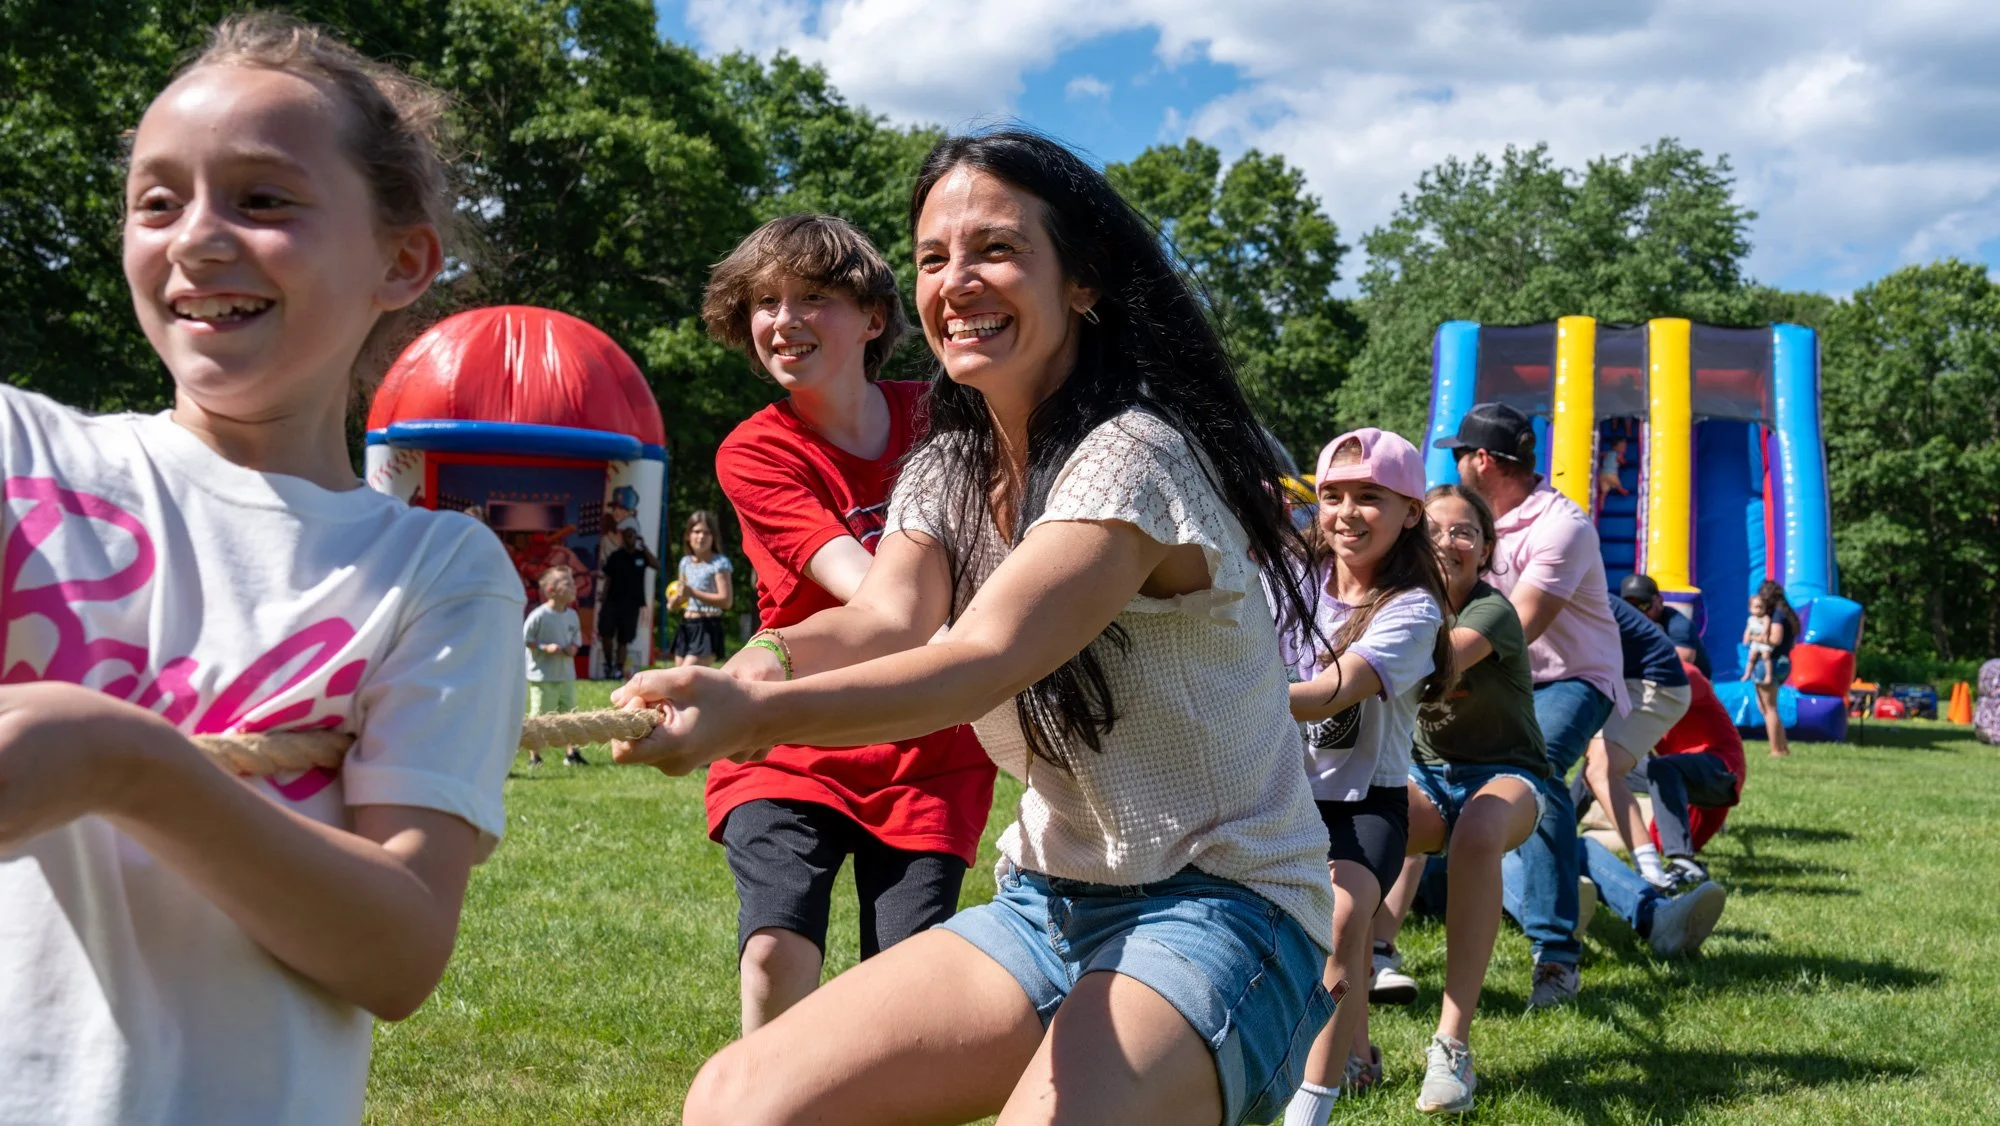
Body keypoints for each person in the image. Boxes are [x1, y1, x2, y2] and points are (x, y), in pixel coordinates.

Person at [619, 131, 1337, 1126]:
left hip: (1227, 907)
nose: (956, 281)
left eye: (995, 250)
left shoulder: (1135, 457)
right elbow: (881, 616)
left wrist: (751, 712)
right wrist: (762, 656)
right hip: (1046, 901)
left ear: (1081, 282)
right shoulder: (946, 467)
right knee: (738, 1098)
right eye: (931, 258)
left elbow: (974, 658)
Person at [0, 16, 525, 1124]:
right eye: (157, 200)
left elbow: (396, 949)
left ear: (402, 259)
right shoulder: (23, 457)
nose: (195, 238)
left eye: (261, 199)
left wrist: (120, 760)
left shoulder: (436, 572)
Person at [699, 214, 996, 1036]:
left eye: (814, 297)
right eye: (765, 301)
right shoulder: (755, 451)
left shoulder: (949, 421)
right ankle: (763, 1099)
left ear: (873, 318)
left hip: (931, 750)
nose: (784, 320)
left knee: (901, 988)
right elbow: (876, 599)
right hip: (798, 734)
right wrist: (981, 657)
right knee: (774, 951)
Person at [1277, 431, 1451, 1126]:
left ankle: (1308, 1109)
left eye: (1369, 497)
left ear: (1411, 511)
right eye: (1333, 496)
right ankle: (1354, 1051)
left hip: (1362, 805)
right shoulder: (1286, 579)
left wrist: (1226, 689)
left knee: (1344, 917)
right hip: (1269, 787)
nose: (1347, 512)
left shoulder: (1413, 609)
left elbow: (1327, 694)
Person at [1434, 402, 1629, 1008]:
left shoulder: (1561, 525)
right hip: (1497, 676)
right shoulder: (1464, 522)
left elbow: (1516, 628)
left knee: (1533, 773)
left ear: (1483, 460)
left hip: (1572, 678)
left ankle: (1556, 957)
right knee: (1436, 785)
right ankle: (1383, 942)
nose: (1456, 465)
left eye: (1459, 454)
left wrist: (1405, 672)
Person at [1367, 484, 1550, 1115]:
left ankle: (1453, 1046)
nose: (1447, 541)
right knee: (1362, 829)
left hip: (1509, 776)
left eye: (1464, 531)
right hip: (1427, 775)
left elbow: (1432, 665)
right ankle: (1352, 1037)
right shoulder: (1394, 604)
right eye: (1435, 529)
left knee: (1477, 834)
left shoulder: (1493, 612)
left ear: (1487, 549)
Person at [1573, 663, 1734, 955]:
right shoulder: (1635, 684)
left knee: (1660, 769)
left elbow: (1642, 707)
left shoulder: (1681, 675)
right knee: (1594, 769)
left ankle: (1683, 861)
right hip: (1675, 791)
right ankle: (1556, 825)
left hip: (1719, 771)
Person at [1581, 595, 1692, 887]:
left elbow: (1687, 657)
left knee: (1599, 772)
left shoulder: (1678, 624)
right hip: (1621, 680)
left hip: (1652, 684)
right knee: (1589, 771)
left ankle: (1655, 876)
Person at [524, 566, 587, 767]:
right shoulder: (539, 616)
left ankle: (572, 753)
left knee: (570, 715)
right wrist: (544, 647)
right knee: (541, 716)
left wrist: (573, 648)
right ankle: (534, 756)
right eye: (567, 584)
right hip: (543, 676)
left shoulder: (572, 616)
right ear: (551, 589)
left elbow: (576, 638)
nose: (573, 587)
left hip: (565, 674)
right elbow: (526, 639)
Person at [667, 510, 731, 670]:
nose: (701, 536)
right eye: (696, 531)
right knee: (677, 678)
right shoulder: (685, 563)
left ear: (713, 537)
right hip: (687, 624)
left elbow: (726, 601)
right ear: (688, 535)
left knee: (684, 676)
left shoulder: (719, 563)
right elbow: (682, 597)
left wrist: (693, 593)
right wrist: (673, 603)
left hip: (708, 626)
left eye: (706, 532)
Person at [1619, 573, 1710, 679]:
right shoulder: (1623, 623)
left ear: (1660, 601)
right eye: (1631, 607)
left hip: (1693, 687)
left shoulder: (1679, 625)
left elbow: (1682, 664)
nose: (1638, 613)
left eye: (1644, 606)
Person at [599, 525, 660, 679]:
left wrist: (644, 546)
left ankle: (619, 669)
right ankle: (608, 665)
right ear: (623, 538)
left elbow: (656, 565)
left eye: (633, 535)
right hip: (612, 602)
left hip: (632, 604)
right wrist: (603, 599)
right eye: (627, 535)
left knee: (624, 639)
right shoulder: (616, 556)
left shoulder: (642, 556)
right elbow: (608, 578)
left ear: (637, 537)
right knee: (606, 634)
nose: (630, 538)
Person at [1750, 580, 1800, 757]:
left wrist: (1754, 637)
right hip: (1783, 661)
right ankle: (1783, 747)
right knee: (1768, 707)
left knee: (1769, 708)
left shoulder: (1778, 615)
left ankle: (1776, 749)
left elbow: (1776, 639)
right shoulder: (1787, 614)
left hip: (1771, 661)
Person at [1741, 594, 1774, 684]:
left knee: (1766, 656)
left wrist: (1763, 636)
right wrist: (1745, 638)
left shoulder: (1765, 618)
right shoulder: (1751, 619)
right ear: (1750, 609)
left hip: (1764, 642)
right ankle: (1747, 674)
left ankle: (1768, 675)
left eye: (1761, 607)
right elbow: (1748, 630)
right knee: (1751, 657)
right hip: (1755, 642)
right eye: (1756, 607)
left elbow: (1766, 629)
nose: (1759, 610)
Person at [1595, 436, 1628, 512]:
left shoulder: (1608, 453)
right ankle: (1622, 490)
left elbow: (1601, 454)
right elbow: (1622, 462)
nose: (1624, 449)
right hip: (1611, 473)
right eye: (1622, 447)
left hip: (1602, 473)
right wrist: (1624, 462)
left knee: (1604, 491)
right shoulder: (1618, 455)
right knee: (1617, 484)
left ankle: (1601, 504)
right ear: (1615, 447)